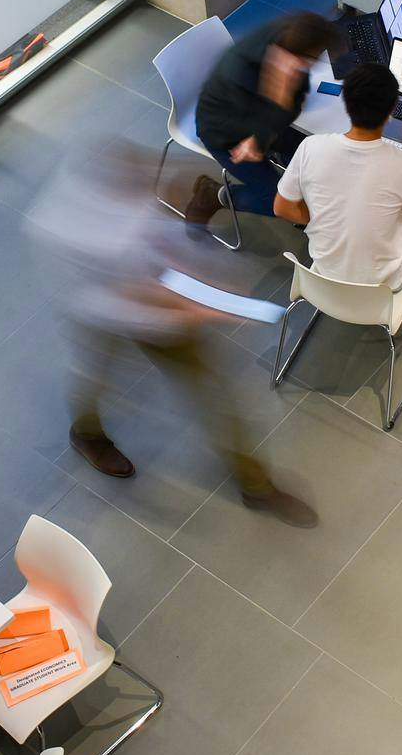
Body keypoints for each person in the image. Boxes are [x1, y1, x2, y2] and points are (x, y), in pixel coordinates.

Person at [31, 143, 316, 527]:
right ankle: (86, 433)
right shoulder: (95, 234)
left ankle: (256, 486)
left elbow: (163, 254)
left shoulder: (131, 203)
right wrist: (212, 307)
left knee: (212, 393)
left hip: (148, 304)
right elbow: (147, 291)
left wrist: (205, 289)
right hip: (105, 312)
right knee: (96, 375)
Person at [273, 62, 402, 292]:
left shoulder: (310, 147)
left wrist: (322, 220)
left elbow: (282, 208)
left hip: (324, 276)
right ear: (392, 109)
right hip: (383, 286)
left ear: (346, 102)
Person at [185, 11, 340, 223]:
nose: (312, 64)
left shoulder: (285, 39)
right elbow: (266, 125)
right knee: (277, 203)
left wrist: (288, 90)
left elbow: (292, 107)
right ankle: (214, 195)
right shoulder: (241, 73)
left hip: (262, 125)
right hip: (225, 135)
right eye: (313, 58)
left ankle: (291, 171)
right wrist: (283, 92)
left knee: (323, 157)